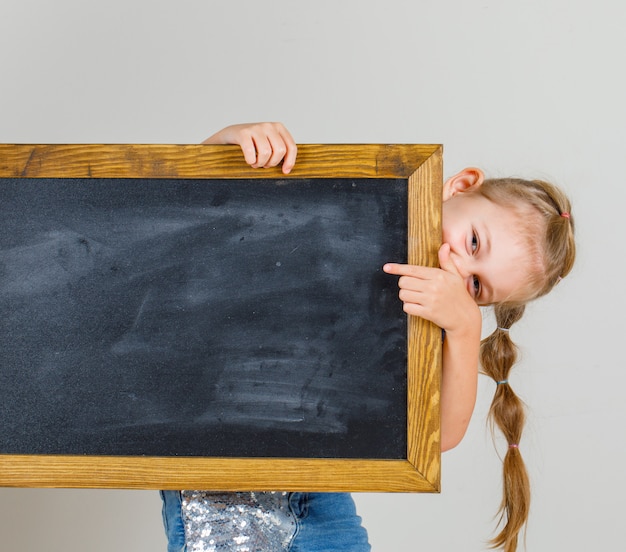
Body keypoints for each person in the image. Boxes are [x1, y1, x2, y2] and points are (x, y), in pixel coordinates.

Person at [160, 122, 576, 552]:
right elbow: (177, 219)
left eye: (476, 287)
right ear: (461, 186)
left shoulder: (432, 315)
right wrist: (228, 143)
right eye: (472, 242)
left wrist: (465, 327)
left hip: (322, 498)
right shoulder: (340, 211)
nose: (456, 270)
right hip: (219, 497)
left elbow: (441, 435)